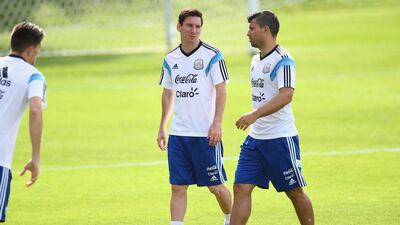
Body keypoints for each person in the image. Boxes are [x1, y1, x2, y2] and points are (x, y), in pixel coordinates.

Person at [230, 10, 314, 225]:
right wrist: (255, 119)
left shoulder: (284, 61)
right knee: (240, 188)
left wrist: (254, 115)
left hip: (280, 140)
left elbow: (286, 95)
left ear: (265, 30)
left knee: (294, 192)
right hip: (255, 140)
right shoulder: (255, 60)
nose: (247, 33)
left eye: (251, 28)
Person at [156, 8, 232, 225]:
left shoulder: (213, 55)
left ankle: (230, 219)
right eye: (189, 25)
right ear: (179, 27)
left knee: (215, 187)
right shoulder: (170, 59)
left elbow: (222, 89)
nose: (194, 30)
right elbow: (168, 93)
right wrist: (163, 126)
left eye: (198, 26)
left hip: (205, 134)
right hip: (179, 135)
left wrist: (217, 123)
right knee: (178, 186)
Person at [0, 22, 46, 222]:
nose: (37, 56)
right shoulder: (33, 76)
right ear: (30, 50)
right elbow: (35, 110)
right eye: (37, 51)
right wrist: (35, 158)